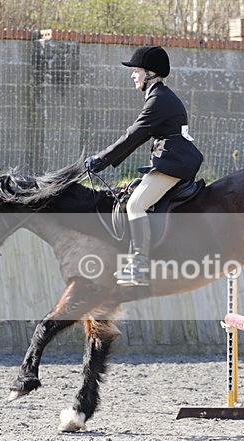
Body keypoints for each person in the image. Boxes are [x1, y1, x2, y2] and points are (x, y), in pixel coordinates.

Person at [85, 46, 204, 287]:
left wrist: (101, 159)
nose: (132, 75)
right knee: (134, 192)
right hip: (173, 160)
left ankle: (139, 266)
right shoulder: (160, 95)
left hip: (174, 163)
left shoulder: (158, 99)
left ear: (149, 73)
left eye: (136, 71)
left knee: (135, 203)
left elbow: (134, 135)